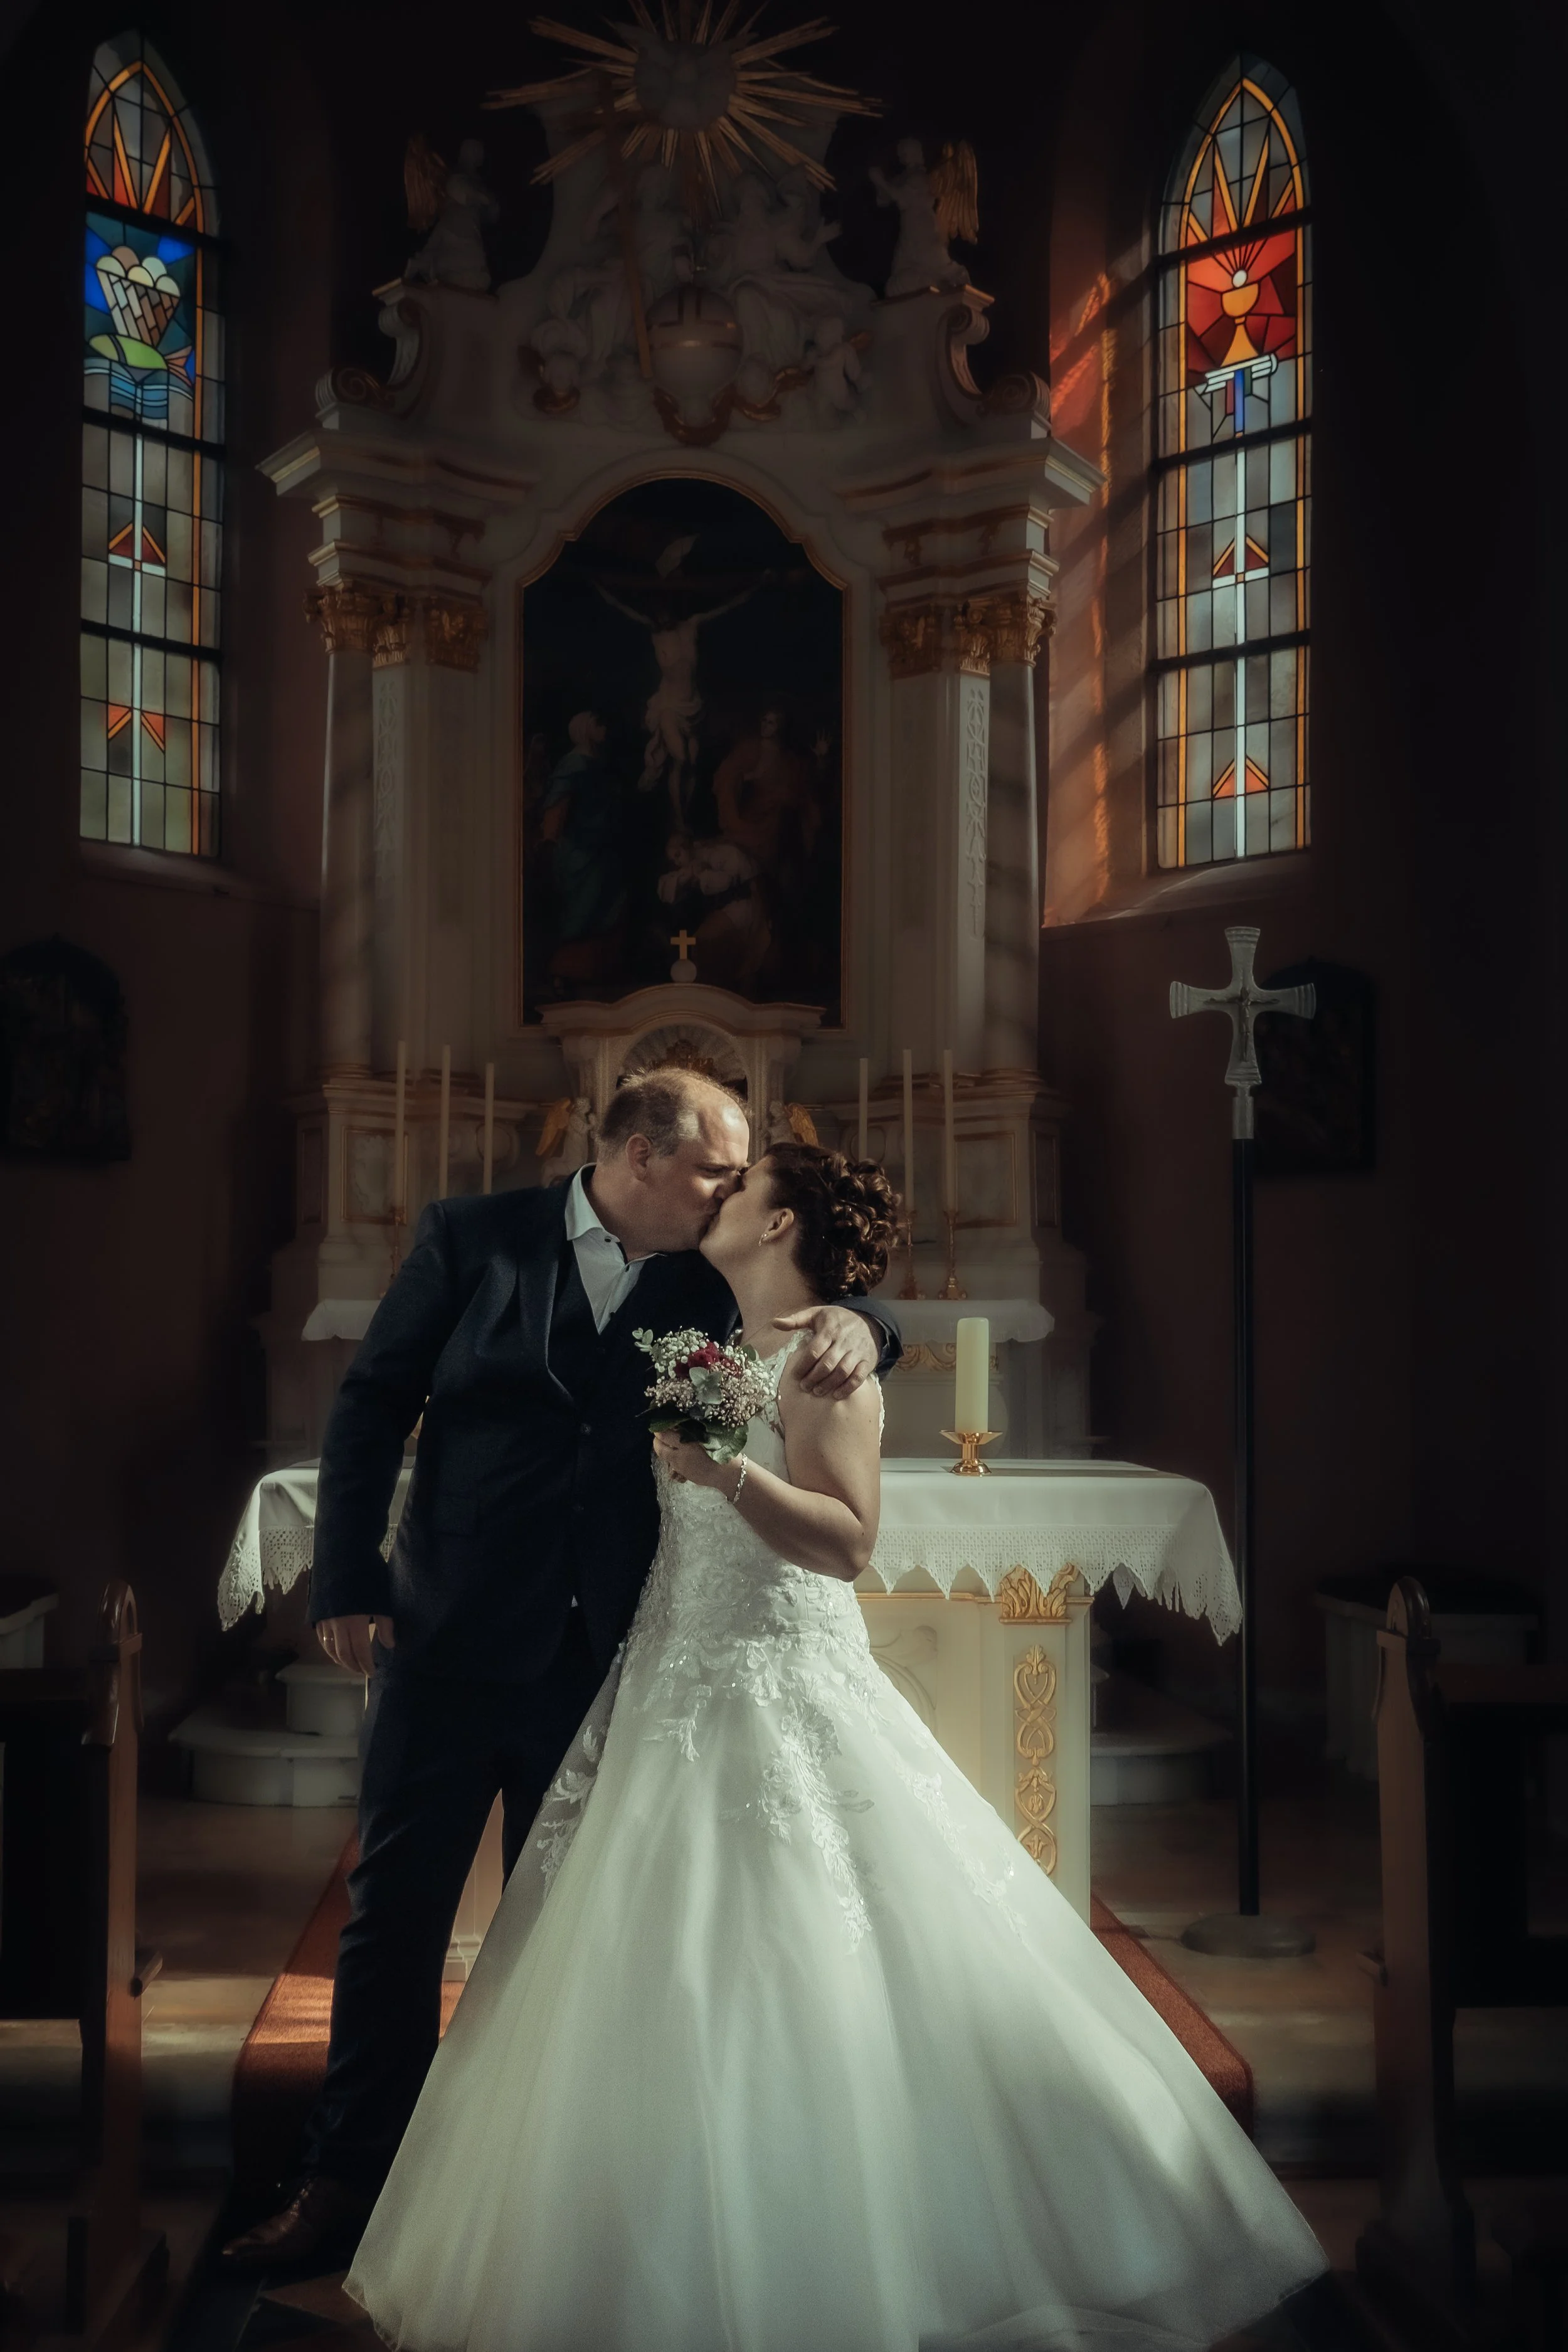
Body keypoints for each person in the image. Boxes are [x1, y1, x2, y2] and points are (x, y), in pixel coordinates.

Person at [344, 1143, 1327, 2351]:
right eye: (711, 1168)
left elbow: (853, 1542)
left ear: (780, 1221)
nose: (718, 1193)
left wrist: (733, 1459)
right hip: (663, 1669)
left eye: (740, 1184)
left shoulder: (820, 1359)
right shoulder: (701, 1317)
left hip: (771, 1671)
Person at [222, 1077, 898, 2274]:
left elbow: (805, 1307)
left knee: (558, 1935)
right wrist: (347, 1579)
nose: (732, 1192)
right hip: (444, 1636)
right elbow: (374, 1399)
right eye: (715, 1170)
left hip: (602, 1661)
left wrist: (865, 1322)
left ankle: (532, 2200)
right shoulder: (472, 1237)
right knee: (392, 1920)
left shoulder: (705, 1270)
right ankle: (345, 2180)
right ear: (641, 1155)